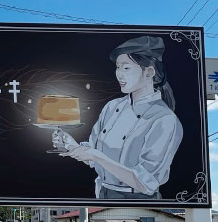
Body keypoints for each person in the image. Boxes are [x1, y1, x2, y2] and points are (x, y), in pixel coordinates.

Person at [53, 35, 183, 199]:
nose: (119, 75)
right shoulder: (112, 107)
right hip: (102, 195)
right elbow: (93, 155)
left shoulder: (164, 119)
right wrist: (71, 145)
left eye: (126, 68)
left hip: (139, 200)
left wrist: (96, 156)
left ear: (149, 72)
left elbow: (145, 182)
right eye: (117, 67)